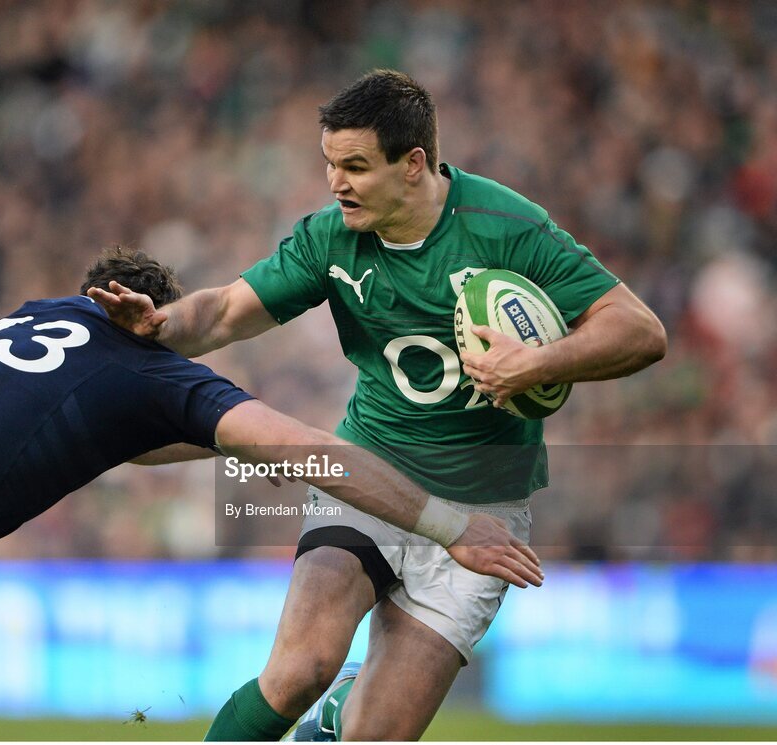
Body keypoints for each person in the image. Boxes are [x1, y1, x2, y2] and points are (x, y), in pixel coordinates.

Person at [0, 246, 542, 741]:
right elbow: (313, 449)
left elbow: (118, 437)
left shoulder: (45, 317)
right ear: (163, 316)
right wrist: (447, 523)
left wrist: (226, 449)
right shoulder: (156, 372)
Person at [90, 70, 668, 741]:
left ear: (413, 163)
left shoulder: (507, 228)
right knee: (299, 668)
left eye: (357, 167)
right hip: (371, 475)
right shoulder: (329, 238)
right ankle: (320, 696)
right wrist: (159, 324)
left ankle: (340, 714)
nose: (337, 183)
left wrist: (537, 361)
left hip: (485, 512)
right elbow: (222, 312)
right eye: (331, 164)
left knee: (375, 736)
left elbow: (640, 330)